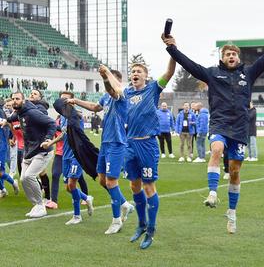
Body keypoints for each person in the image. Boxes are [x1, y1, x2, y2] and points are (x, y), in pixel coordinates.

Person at [163, 32, 264, 234]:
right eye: (227, 54)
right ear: (222, 57)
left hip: (240, 128)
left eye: (234, 54)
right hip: (220, 124)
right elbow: (188, 64)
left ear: (238, 58)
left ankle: (232, 213)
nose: (231, 56)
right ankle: (213, 193)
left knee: (234, 171)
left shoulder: (248, 74)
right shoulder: (212, 74)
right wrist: (172, 48)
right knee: (216, 149)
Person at [69, 66, 134, 234]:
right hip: (106, 142)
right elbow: (95, 107)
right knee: (102, 180)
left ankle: (116, 220)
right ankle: (125, 204)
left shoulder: (121, 95)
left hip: (117, 143)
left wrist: (106, 77)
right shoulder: (106, 97)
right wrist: (77, 101)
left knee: (111, 182)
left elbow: (112, 90)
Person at [123, 59, 175, 249]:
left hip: (147, 144)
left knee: (148, 187)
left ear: (145, 76)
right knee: (133, 186)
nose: (135, 73)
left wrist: (172, 52)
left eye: (138, 71)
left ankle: (151, 230)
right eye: (132, 71)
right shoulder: (126, 93)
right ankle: (141, 223)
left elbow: (169, 73)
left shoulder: (152, 89)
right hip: (130, 145)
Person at [2, 92, 56, 218]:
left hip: (42, 151)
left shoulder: (32, 113)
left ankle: (41, 205)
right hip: (30, 151)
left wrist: (48, 138)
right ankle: (36, 204)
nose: (14, 101)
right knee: (23, 179)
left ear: (23, 100)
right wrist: (6, 121)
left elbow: (52, 123)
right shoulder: (19, 112)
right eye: (13, 99)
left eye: (17, 99)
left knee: (29, 176)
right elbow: (13, 117)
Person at [43, 91, 94, 225]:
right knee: (68, 187)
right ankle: (86, 198)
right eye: (61, 99)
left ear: (72, 101)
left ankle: (77, 216)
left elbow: (78, 135)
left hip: (76, 155)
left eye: (66, 99)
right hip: (65, 154)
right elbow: (64, 134)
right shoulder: (64, 117)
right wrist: (51, 143)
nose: (63, 102)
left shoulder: (76, 116)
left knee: (71, 184)